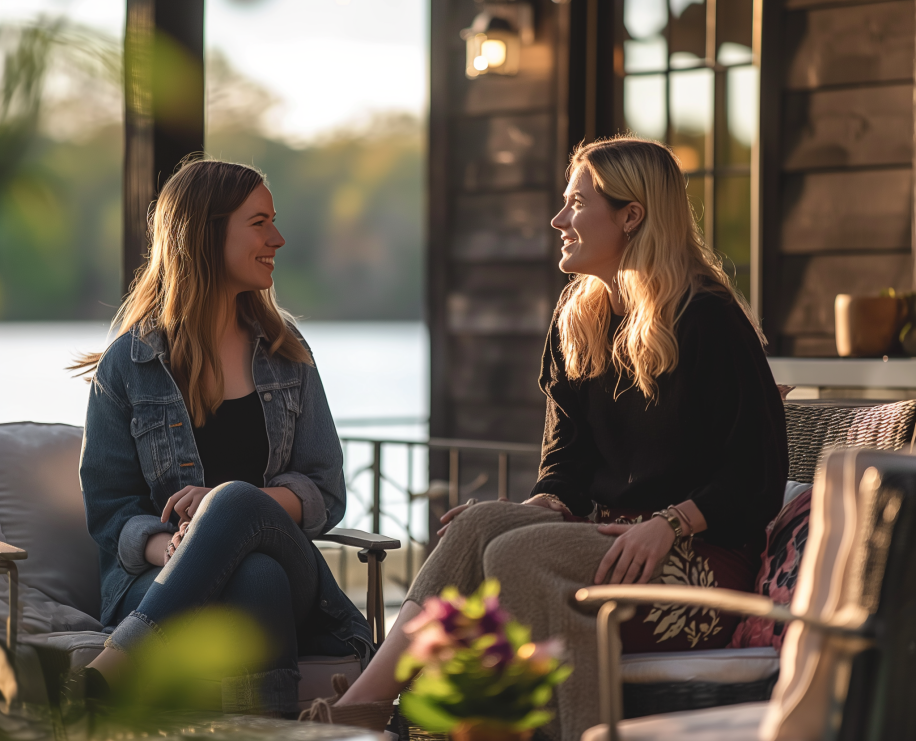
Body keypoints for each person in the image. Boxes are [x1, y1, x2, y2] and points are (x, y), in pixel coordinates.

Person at [312, 137, 788, 740]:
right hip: (601, 542)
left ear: (631, 215)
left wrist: (668, 522)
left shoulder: (708, 319)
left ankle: (578, 730)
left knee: (519, 558)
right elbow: (566, 466)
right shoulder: (579, 319)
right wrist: (540, 504)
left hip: (698, 567)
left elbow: (759, 475)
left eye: (576, 203)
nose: (559, 220)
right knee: (479, 525)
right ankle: (369, 701)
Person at [72, 159, 376, 718]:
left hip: (292, 565)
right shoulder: (128, 364)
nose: (277, 239)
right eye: (260, 223)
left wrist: (230, 507)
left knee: (234, 500)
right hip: (160, 579)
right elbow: (109, 508)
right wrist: (169, 546)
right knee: (255, 579)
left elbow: (326, 490)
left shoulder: (286, 353)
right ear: (207, 234)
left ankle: (114, 669)